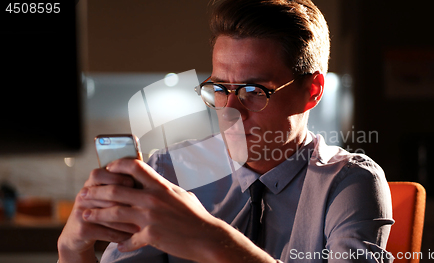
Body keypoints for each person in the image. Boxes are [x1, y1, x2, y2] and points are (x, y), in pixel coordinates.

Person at [58, 0, 394, 262]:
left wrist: (210, 240)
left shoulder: (349, 182)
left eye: (254, 90)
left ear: (313, 91)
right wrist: (73, 253)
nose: (230, 110)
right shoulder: (168, 173)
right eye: (220, 88)